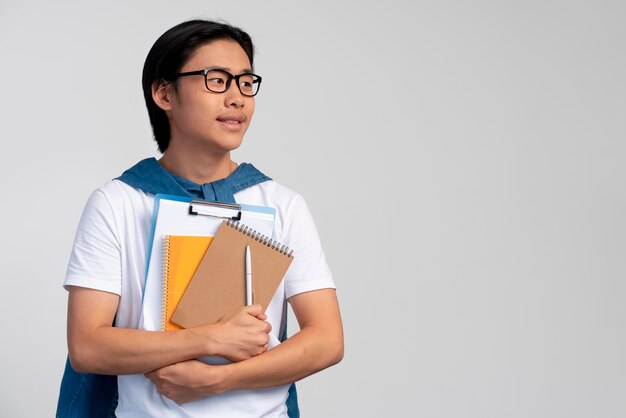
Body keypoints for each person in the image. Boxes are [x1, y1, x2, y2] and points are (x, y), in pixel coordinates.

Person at [58, 19, 344, 417]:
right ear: (164, 93)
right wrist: (212, 339)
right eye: (217, 80)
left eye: (246, 82)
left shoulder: (282, 204)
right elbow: (88, 347)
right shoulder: (117, 203)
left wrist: (218, 380)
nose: (238, 98)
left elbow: (327, 340)